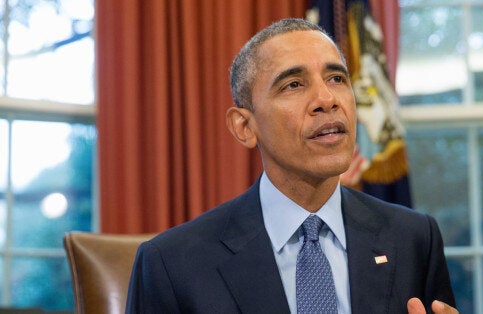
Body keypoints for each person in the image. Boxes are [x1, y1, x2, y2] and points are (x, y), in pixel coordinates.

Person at [126, 18, 457, 314]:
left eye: (337, 78)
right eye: (293, 85)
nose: (327, 99)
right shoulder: (171, 264)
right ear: (244, 126)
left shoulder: (414, 239)